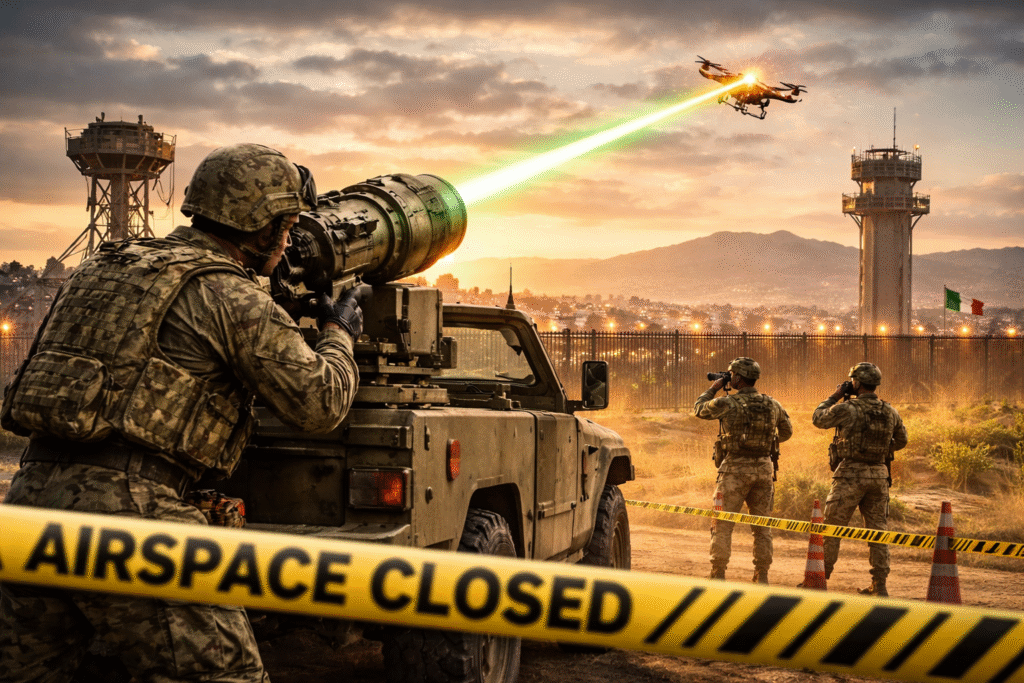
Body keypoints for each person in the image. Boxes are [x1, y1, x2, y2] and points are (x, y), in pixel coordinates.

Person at [0, 143, 362, 682]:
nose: (288, 241)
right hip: (132, 518)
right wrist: (339, 335)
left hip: (31, 506)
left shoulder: (100, 267)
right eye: (285, 228)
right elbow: (319, 402)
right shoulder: (227, 294)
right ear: (261, 227)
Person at [812, 362, 907, 597]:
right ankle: (880, 584)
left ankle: (819, 579)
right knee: (878, 532)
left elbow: (818, 418)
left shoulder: (849, 408)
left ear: (856, 383)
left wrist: (835, 395)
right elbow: (902, 439)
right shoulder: (889, 410)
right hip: (878, 475)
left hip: (850, 475)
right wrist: (881, 449)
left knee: (833, 528)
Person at [694, 357, 792, 584]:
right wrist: (765, 440)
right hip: (764, 470)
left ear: (737, 378)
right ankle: (762, 575)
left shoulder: (727, 403)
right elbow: (787, 432)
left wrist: (714, 387)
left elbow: (699, 409)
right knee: (762, 528)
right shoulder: (773, 404)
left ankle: (718, 573)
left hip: (734, 470)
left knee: (723, 524)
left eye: (731, 375)